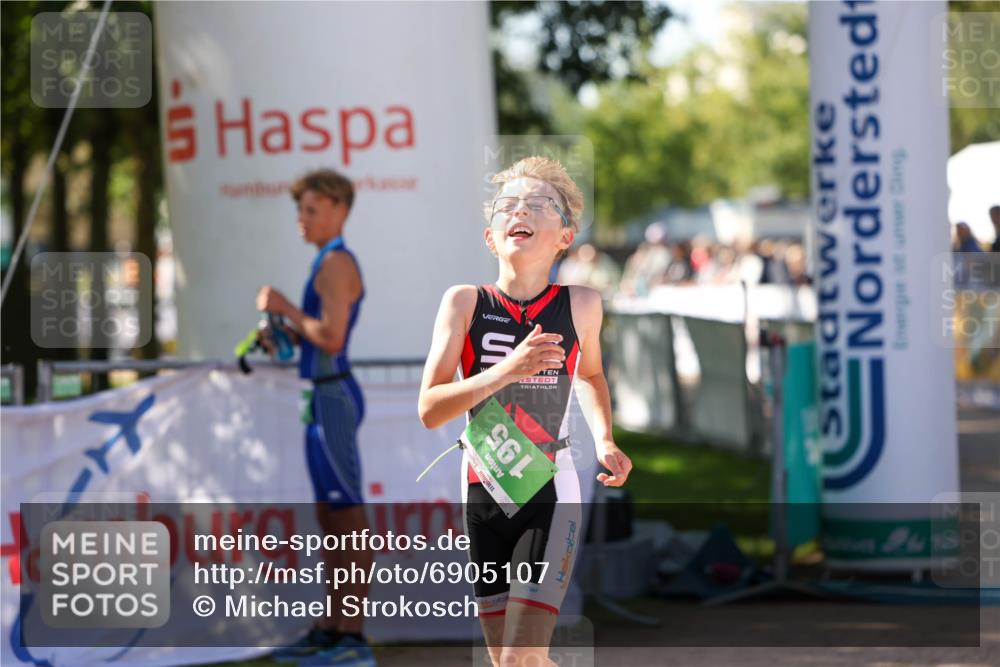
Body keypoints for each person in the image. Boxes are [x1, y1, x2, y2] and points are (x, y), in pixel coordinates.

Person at [418, 157, 632, 667]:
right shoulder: (464, 302)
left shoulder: (581, 303)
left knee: (518, 658)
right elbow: (429, 408)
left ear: (564, 236)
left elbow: (593, 375)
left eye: (540, 204)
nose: (522, 209)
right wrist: (504, 371)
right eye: (508, 204)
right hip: (482, 489)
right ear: (491, 237)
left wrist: (605, 439)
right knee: (511, 663)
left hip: (551, 490)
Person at [256, 169, 374, 667]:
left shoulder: (337, 262)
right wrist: (283, 332)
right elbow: (315, 336)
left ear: (339, 210)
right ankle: (330, 629)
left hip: (333, 399)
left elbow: (332, 337)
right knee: (330, 517)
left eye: (311, 209)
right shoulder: (326, 263)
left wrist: (284, 306)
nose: (301, 220)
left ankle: (351, 637)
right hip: (320, 396)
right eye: (299, 210)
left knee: (347, 516)